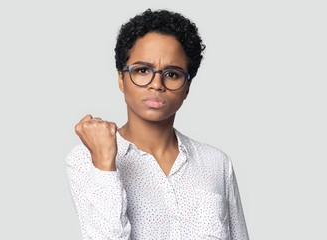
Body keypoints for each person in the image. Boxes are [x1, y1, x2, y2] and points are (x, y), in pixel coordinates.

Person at [66, 9, 249, 240]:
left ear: (187, 87)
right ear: (122, 79)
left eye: (172, 74)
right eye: (142, 70)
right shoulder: (85, 159)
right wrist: (104, 163)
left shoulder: (217, 163)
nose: (156, 84)